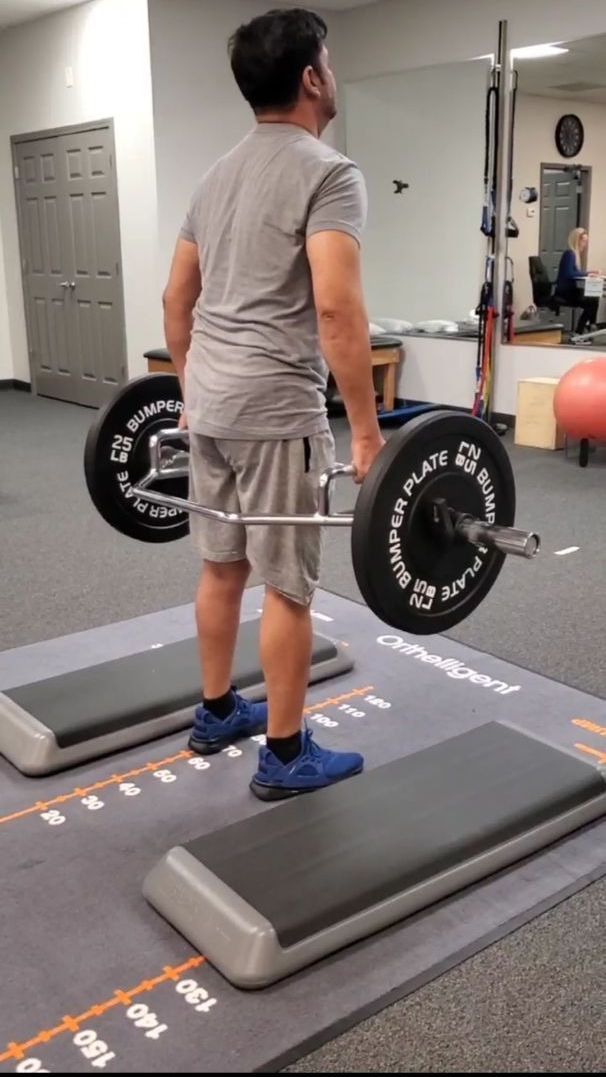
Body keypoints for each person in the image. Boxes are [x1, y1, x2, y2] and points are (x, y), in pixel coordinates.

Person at [161, 8, 385, 800]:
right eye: (328, 58)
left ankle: (218, 708)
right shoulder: (329, 171)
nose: (332, 72)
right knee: (287, 583)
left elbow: (175, 300)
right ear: (311, 78)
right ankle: (285, 753)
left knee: (221, 567)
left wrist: (192, 391)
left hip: (213, 407)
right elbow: (336, 311)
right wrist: (365, 430)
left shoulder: (214, 174)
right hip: (276, 410)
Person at [555, 227, 600, 334]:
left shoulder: (573, 254)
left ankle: (589, 327)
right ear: (577, 240)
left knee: (594, 297)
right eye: (583, 241)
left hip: (569, 290)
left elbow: (574, 273)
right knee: (592, 302)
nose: (585, 244)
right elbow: (569, 274)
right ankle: (581, 330)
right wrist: (588, 273)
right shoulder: (569, 254)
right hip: (565, 292)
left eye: (586, 241)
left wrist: (590, 273)